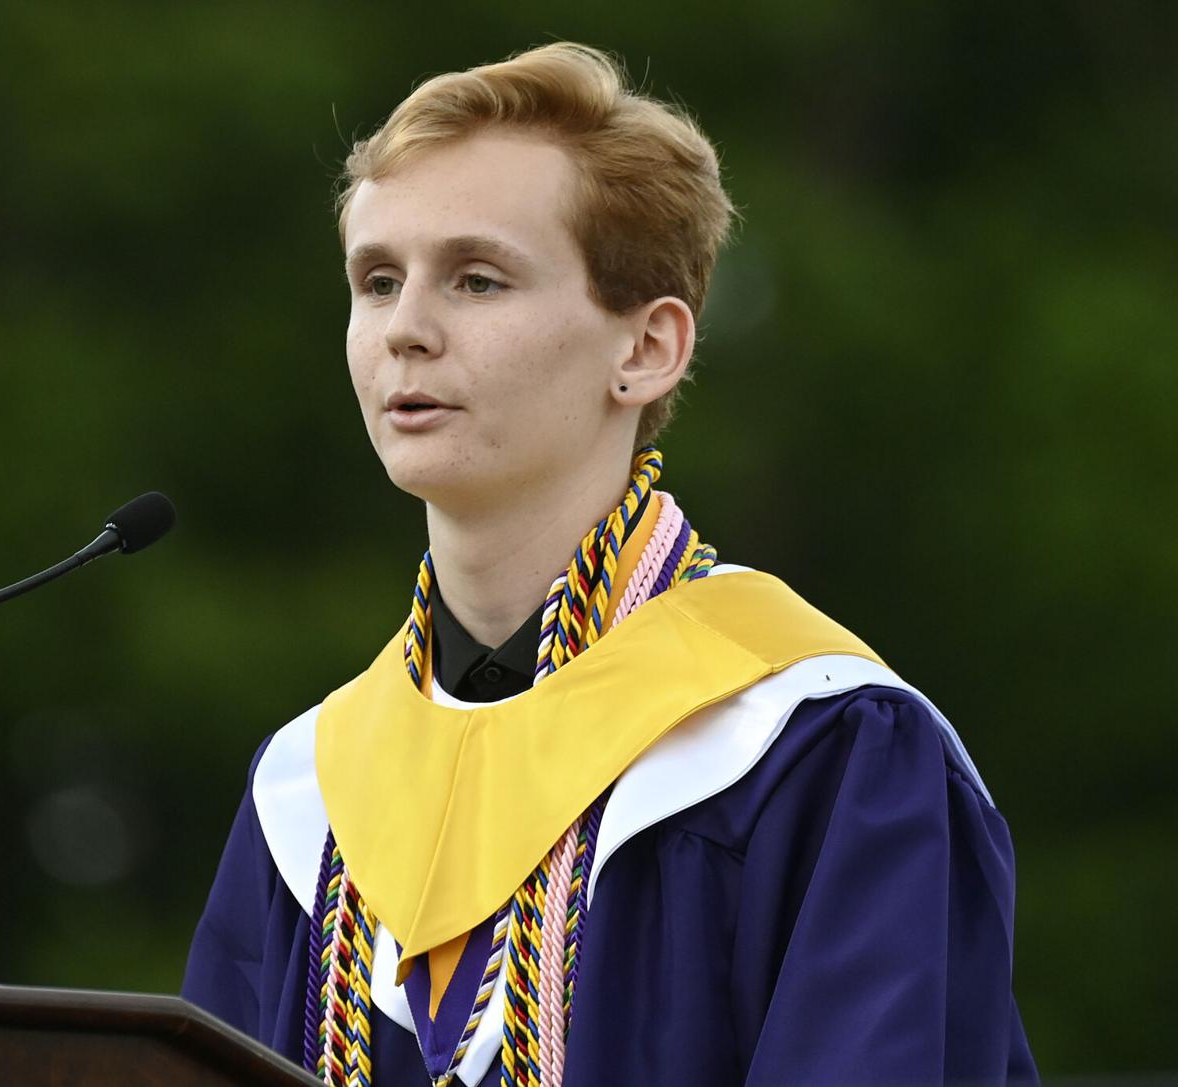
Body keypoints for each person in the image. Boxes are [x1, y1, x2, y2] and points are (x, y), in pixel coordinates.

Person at [182, 42, 1038, 1087]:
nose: (405, 330)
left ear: (646, 350)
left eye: (478, 278)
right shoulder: (309, 793)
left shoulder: (810, 747)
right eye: (377, 280)